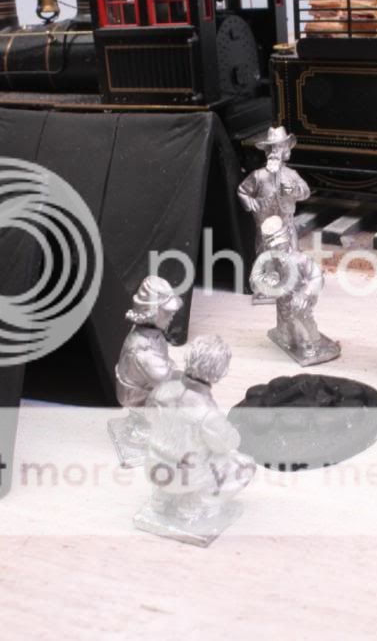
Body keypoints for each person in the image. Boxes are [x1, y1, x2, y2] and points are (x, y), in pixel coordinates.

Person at [143, 335, 255, 524]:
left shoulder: (162, 391)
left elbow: (149, 416)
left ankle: (161, 498)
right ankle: (193, 505)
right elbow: (227, 444)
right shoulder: (207, 412)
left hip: (153, 466)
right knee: (244, 464)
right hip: (184, 476)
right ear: (220, 372)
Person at [108, 276, 184, 467]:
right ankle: (148, 429)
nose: (172, 315)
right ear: (152, 313)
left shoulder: (151, 335)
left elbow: (165, 365)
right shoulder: (142, 348)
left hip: (146, 387)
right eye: (167, 312)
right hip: (139, 397)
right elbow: (165, 377)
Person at [250, 216, 340, 366]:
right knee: (287, 333)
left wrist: (305, 293)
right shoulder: (268, 261)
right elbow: (254, 282)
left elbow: (317, 277)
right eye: (274, 247)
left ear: (287, 241)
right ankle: (287, 336)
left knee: (304, 323)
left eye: (281, 246)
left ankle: (312, 343)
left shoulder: (300, 259)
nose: (278, 250)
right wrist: (266, 281)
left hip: (300, 300)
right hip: (283, 302)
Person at [238, 127, 311, 257]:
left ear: (285, 150)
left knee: (291, 257)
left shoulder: (291, 175)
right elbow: (242, 191)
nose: (274, 151)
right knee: (265, 258)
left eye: (279, 147)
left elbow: (305, 192)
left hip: (287, 227)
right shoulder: (258, 176)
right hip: (265, 228)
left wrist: (289, 190)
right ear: (266, 152)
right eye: (270, 148)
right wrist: (252, 204)